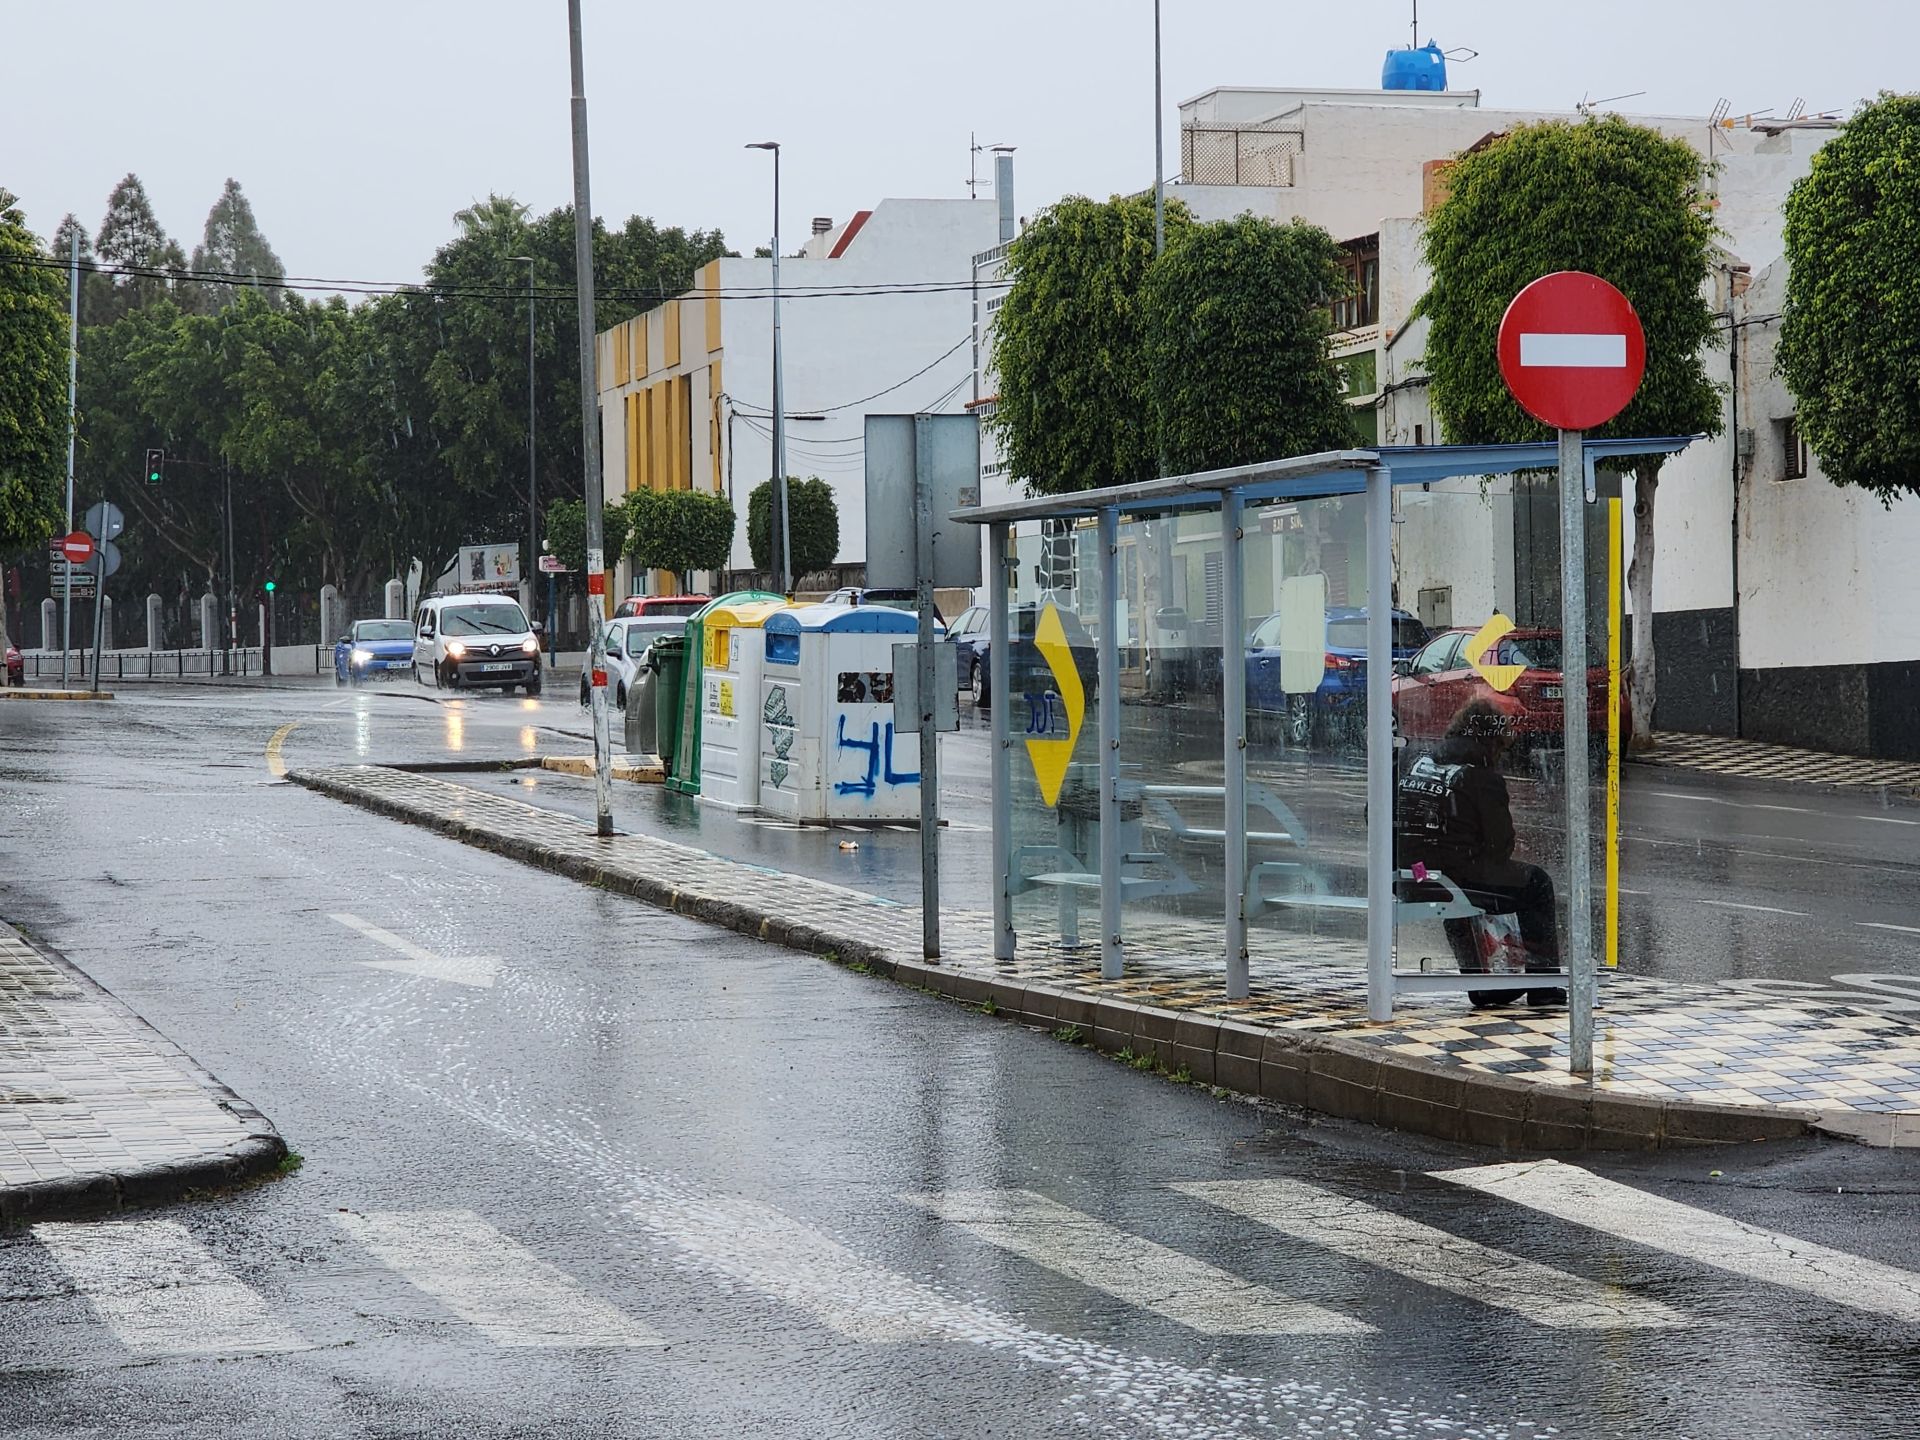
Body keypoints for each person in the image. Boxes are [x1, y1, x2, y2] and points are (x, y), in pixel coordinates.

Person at [1395, 696, 1565, 1008]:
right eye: (1500, 748)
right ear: (1491, 743)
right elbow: (1500, 847)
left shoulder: (1412, 760)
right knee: (1536, 882)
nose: (1500, 756)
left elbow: (1373, 813)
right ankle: (1544, 984)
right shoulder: (1482, 779)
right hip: (1451, 877)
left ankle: (1482, 980)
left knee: (1453, 892)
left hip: (1409, 876)